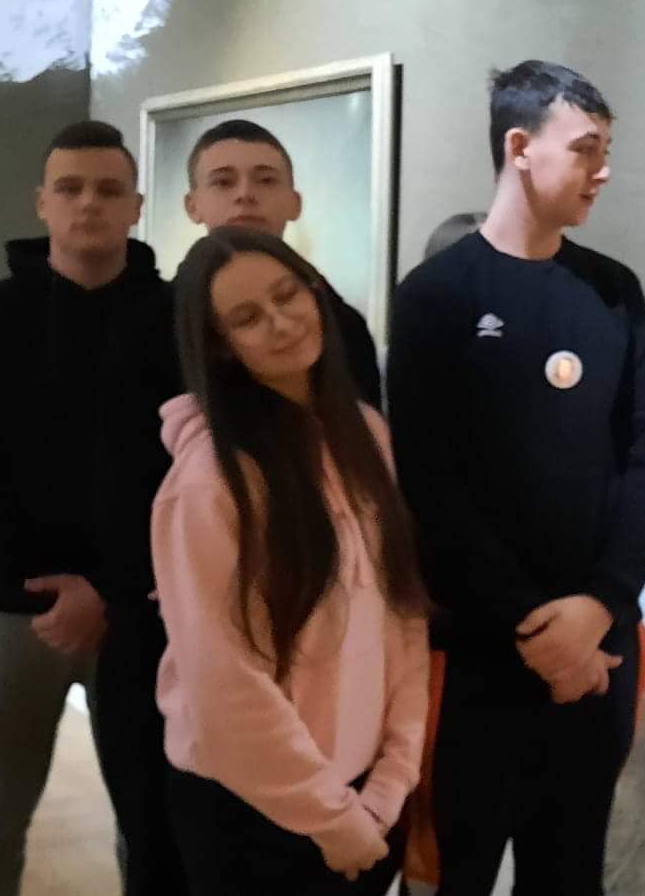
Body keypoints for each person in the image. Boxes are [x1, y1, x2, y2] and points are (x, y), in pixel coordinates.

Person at [388, 60, 645, 894]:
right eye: (586, 149)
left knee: (571, 873)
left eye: (607, 150)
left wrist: (600, 607)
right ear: (520, 147)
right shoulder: (435, 295)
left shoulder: (613, 291)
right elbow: (431, 486)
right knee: (457, 872)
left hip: (599, 652)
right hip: (478, 656)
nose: (602, 170)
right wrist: (537, 630)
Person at [0, 119, 181, 895]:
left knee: (157, 826)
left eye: (108, 189)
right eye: (70, 188)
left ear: (137, 205)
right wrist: (48, 584)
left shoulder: (180, 319)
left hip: (147, 613)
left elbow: (190, 478)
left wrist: (110, 588)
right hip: (9, 610)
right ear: (42, 202)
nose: (89, 203)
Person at [154, 227, 431, 895]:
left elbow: (402, 615)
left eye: (288, 295)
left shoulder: (365, 433)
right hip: (255, 814)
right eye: (248, 317)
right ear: (220, 345)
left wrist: (390, 782)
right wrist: (332, 819)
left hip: (366, 800)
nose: (280, 323)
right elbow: (226, 686)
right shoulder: (211, 482)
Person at [183, 118, 383, 403]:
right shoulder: (157, 322)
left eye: (266, 180)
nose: (245, 194)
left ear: (295, 203)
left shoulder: (341, 323)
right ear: (192, 206)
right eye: (223, 182)